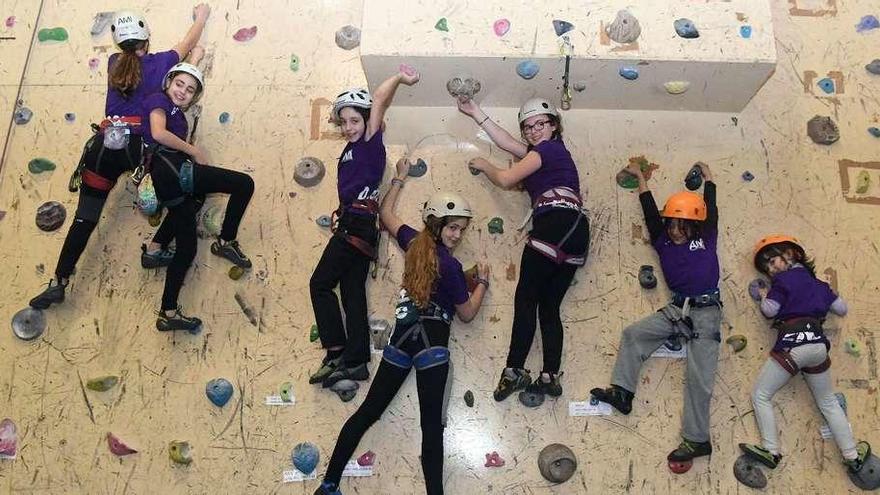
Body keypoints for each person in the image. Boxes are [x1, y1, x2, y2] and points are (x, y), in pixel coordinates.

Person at [314, 158, 489, 495]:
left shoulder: (413, 244)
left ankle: (330, 483)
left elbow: (387, 215)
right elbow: (466, 313)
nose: (457, 234)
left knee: (368, 413)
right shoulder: (451, 267)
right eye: (453, 227)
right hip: (432, 346)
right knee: (431, 428)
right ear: (437, 224)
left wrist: (399, 179)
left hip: (402, 339)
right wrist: (481, 282)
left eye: (461, 229)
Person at [29, 6, 210, 310]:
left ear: (118, 43)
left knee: (84, 218)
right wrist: (201, 20)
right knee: (185, 196)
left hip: (103, 148)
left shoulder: (114, 63)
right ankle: (155, 250)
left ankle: (58, 281)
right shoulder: (160, 62)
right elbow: (185, 49)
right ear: (146, 40)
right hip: (140, 147)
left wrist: (193, 58)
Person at [589, 162, 723, 469]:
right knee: (634, 334)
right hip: (677, 309)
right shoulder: (662, 240)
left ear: (694, 227)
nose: (675, 232)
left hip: (705, 312)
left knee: (698, 378)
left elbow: (711, 209)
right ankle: (622, 392)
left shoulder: (707, 236)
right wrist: (639, 179)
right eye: (672, 225)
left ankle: (697, 439)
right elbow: (650, 212)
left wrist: (710, 180)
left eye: (682, 227)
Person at [458, 97, 589, 403]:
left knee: (526, 299)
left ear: (554, 126)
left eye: (540, 124)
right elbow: (508, 143)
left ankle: (515, 370)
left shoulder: (548, 149)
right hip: (576, 233)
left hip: (554, 223)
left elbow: (505, 178)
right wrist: (477, 112)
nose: (533, 132)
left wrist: (484, 165)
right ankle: (549, 376)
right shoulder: (548, 153)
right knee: (549, 306)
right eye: (528, 127)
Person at [308, 70, 419, 387]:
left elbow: (381, 97)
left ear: (368, 120)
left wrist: (398, 76)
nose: (348, 127)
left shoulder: (370, 141)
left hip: (357, 222)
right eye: (343, 122)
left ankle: (335, 351)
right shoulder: (351, 150)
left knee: (319, 284)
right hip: (358, 223)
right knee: (352, 292)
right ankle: (355, 361)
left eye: (355, 120)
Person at [739, 235, 871, 474]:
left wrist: (763, 295)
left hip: (794, 344)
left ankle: (771, 450)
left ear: (791, 255)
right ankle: (852, 455)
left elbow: (770, 311)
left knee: (761, 394)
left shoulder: (782, 282)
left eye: (772, 261)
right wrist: (824, 294)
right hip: (818, 347)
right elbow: (842, 309)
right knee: (828, 402)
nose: (770, 269)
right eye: (767, 266)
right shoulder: (819, 285)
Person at [143, 62, 254, 332]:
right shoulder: (158, 100)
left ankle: (159, 268)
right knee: (243, 183)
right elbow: (158, 132)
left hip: (169, 178)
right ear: (168, 82)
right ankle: (226, 241)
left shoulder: (179, 116)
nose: (183, 91)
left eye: (190, 89)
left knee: (189, 236)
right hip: (171, 169)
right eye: (179, 84)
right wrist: (193, 150)